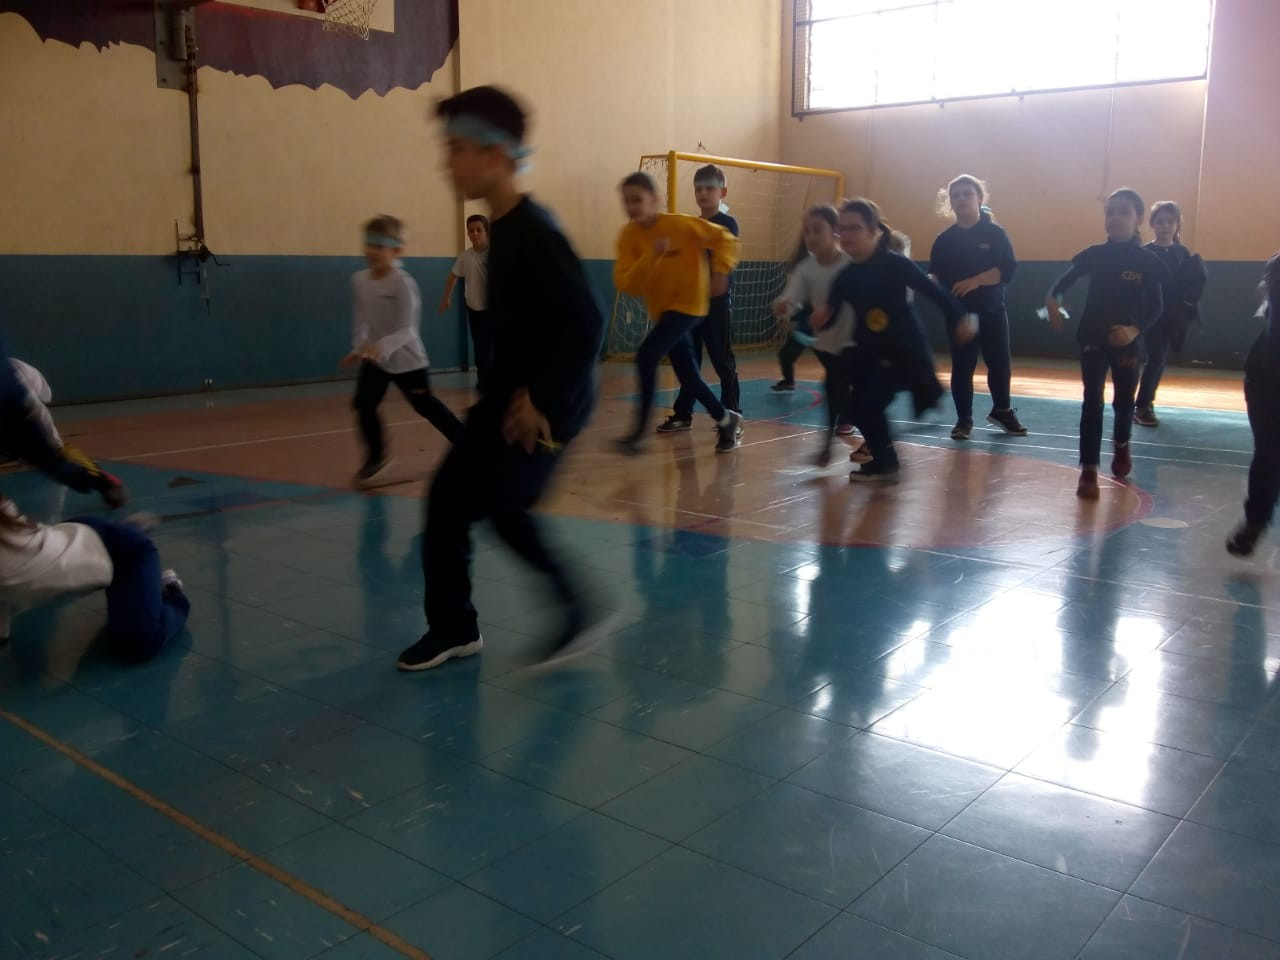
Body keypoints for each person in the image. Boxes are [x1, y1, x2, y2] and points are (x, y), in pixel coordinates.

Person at [397, 85, 607, 671]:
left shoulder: (534, 231)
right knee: (448, 504)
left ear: (494, 155)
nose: (446, 162)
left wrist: (540, 400)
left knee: (504, 509)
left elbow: (587, 323)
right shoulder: (503, 228)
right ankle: (455, 629)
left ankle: (578, 608)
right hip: (506, 399)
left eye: (456, 148)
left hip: (547, 407)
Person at [817, 198, 971, 482]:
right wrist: (819, 317)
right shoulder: (846, 275)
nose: (846, 234)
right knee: (851, 402)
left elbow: (934, 292)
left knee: (869, 403)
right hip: (869, 352)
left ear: (873, 231)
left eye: (854, 228)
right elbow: (830, 311)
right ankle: (883, 459)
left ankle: (885, 462)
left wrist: (960, 318)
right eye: (842, 228)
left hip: (904, 352)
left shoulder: (895, 264)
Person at [1045, 188, 1165, 500]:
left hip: (1128, 343)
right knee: (1092, 401)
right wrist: (1053, 300)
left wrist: (1134, 330)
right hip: (1093, 337)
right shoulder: (1094, 255)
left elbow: (1157, 308)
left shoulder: (1147, 261)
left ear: (1138, 218)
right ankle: (1088, 470)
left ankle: (1122, 445)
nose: (1115, 218)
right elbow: (1062, 283)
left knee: (1124, 402)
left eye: (1123, 212)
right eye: (1110, 212)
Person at [614, 171, 743, 454]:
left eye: (637, 199)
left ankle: (638, 432)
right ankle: (725, 419)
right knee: (689, 376)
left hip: (691, 305)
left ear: (654, 200)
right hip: (664, 311)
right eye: (626, 201)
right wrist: (651, 255)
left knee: (647, 355)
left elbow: (724, 239)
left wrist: (721, 271)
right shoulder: (629, 237)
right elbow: (629, 284)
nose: (632, 206)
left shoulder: (681, 225)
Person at [342, 214, 463, 487]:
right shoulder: (359, 280)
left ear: (396, 250)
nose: (372, 251)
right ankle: (376, 457)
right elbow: (360, 318)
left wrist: (381, 347)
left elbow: (408, 329)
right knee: (363, 404)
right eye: (369, 244)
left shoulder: (403, 282)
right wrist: (359, 346)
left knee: (426, 406)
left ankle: (468, 445)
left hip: (408, 360)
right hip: (376, 360)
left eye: (379, 246)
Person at [0, 499, 189, 660]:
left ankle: (171, 591)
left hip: (124, 553)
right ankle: (128, 528)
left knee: (140, 642)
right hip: (74, 537)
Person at [928, 175, 1026, 440]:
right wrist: (929, 284)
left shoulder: (995, 234)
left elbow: (1007, 270)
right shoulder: (945, 239)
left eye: (967, 193)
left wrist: (976, 280)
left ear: (979, 198)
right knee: (963, 366)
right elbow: (935, 274)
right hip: (960, 315)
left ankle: (1002, 411)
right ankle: (964, 420)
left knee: (1000, 363)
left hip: (992, 311)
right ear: (950, 202)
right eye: (956, 195)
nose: (961, 199)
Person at [658, 165, 742, 432]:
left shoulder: (728, 224)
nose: (703, 193)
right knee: (688, 361)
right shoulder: (690, 226)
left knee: (722, 361)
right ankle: (683, 413)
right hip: (691, 304)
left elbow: (721, 256)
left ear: (722, 192)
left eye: (709, 188)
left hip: (717, 304)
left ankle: (732, 414)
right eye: (698, 188)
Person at [0, 335, 127, 509]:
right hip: (16, 401)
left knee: (55, 457)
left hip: (24, 403)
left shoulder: (19, 394)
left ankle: (101, 480)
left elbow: (31, 416)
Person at [772, 205, 854, 466]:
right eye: (807, 231)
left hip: (856, 340)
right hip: (828, 341)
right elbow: (792, 296)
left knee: (845, 388)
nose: (811, 237)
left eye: (818, 230)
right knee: (833, 388)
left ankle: (865, 441)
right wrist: (784, 305)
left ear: (835, 231)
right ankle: (829, 443)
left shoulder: (850, 263)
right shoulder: (805, 269)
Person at [1134, 201, 1208, 427]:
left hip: (1173, 316)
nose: (1165, 226)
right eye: (1160, 222)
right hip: (1151, 316)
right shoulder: (1145, 252)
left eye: (1170, 222)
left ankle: (1146, 403)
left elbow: (1190, 285)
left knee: (1159, 359)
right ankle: (1142, 405)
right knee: (1155, 357)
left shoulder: (1182, 253)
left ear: (1177, 225)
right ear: (1152, 224)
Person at [1227, 253, 1280, 557]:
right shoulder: (1277, 268)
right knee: (1269, 451)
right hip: (1268, 376)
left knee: (1269, 453)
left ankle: (1256, 520)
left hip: (1266, 374)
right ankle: (1255, 521)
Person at [440, 214, 493, 393]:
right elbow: (453, 276)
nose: (475, 234)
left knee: (493, 347)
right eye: (471, 231)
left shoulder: (495, 254)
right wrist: (446, 297)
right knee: (480, 347)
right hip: (474, 309)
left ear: (486, 232)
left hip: (493, 309)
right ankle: (483, 380)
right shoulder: (465, 257)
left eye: (479, 230)